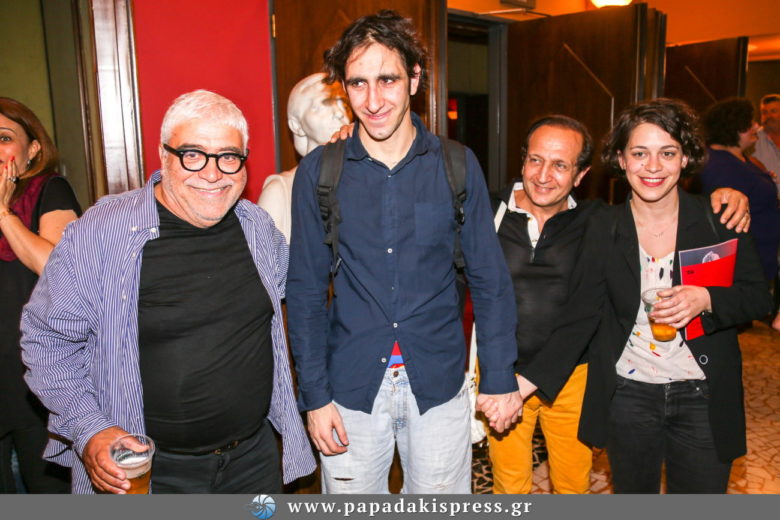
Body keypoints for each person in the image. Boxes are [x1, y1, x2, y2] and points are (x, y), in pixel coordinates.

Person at [20, 90, 315, 494]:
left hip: (253, 461)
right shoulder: (103, 232)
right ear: (163, 155)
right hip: (151, 471)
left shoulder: (257, 228)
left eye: (229, 157)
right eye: (193, 154)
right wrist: (91, 429)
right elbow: (46, 341)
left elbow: (309, 284)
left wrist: (340, 157)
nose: (212, 174)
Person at [286, 10, 521, 494]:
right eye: (358, 83)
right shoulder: (320, 172)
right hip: (350, 385)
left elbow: (490, 280)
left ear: (414, 79)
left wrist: (499, 377)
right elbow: (305, 291)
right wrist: (314, 398)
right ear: (344, 88)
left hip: (437, 380)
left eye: (387, 80)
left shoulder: (457, 164)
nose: (373, 101)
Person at [513, 98, 772, 493]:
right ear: (621, 159)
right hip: (627, 395)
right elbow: (581, 316)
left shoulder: (718, 219)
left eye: (667, 153)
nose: (653, 166)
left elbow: (758, 298)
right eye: (639, 153)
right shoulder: (602, 225)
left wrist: (707, 300)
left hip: (702, 392)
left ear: (685, 158)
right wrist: (522, 384)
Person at [0, 97, 78, 493]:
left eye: (4, 138)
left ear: (32, 149)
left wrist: (2, 214)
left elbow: (56, 267)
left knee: (48, 495)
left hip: (34, 376)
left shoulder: (50, 190)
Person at [258, 73, 351, 242]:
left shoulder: (363, 179)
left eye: (343, 104)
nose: (340, 113)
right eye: (324, 105)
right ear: (297, 125)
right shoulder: (280, 191)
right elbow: (266, 256)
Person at [699, 97, 780, 286]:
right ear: (734, 127)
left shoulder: (738, 158)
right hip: (742, 268)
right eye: (750, 124)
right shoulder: (719, 165)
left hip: (759, 258)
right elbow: (723, 224)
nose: (756, 127)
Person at [752, 93, 780, 195]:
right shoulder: (752, 140)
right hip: (764, 201)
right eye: (764, 112)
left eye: (773, 111)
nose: (768, 116)